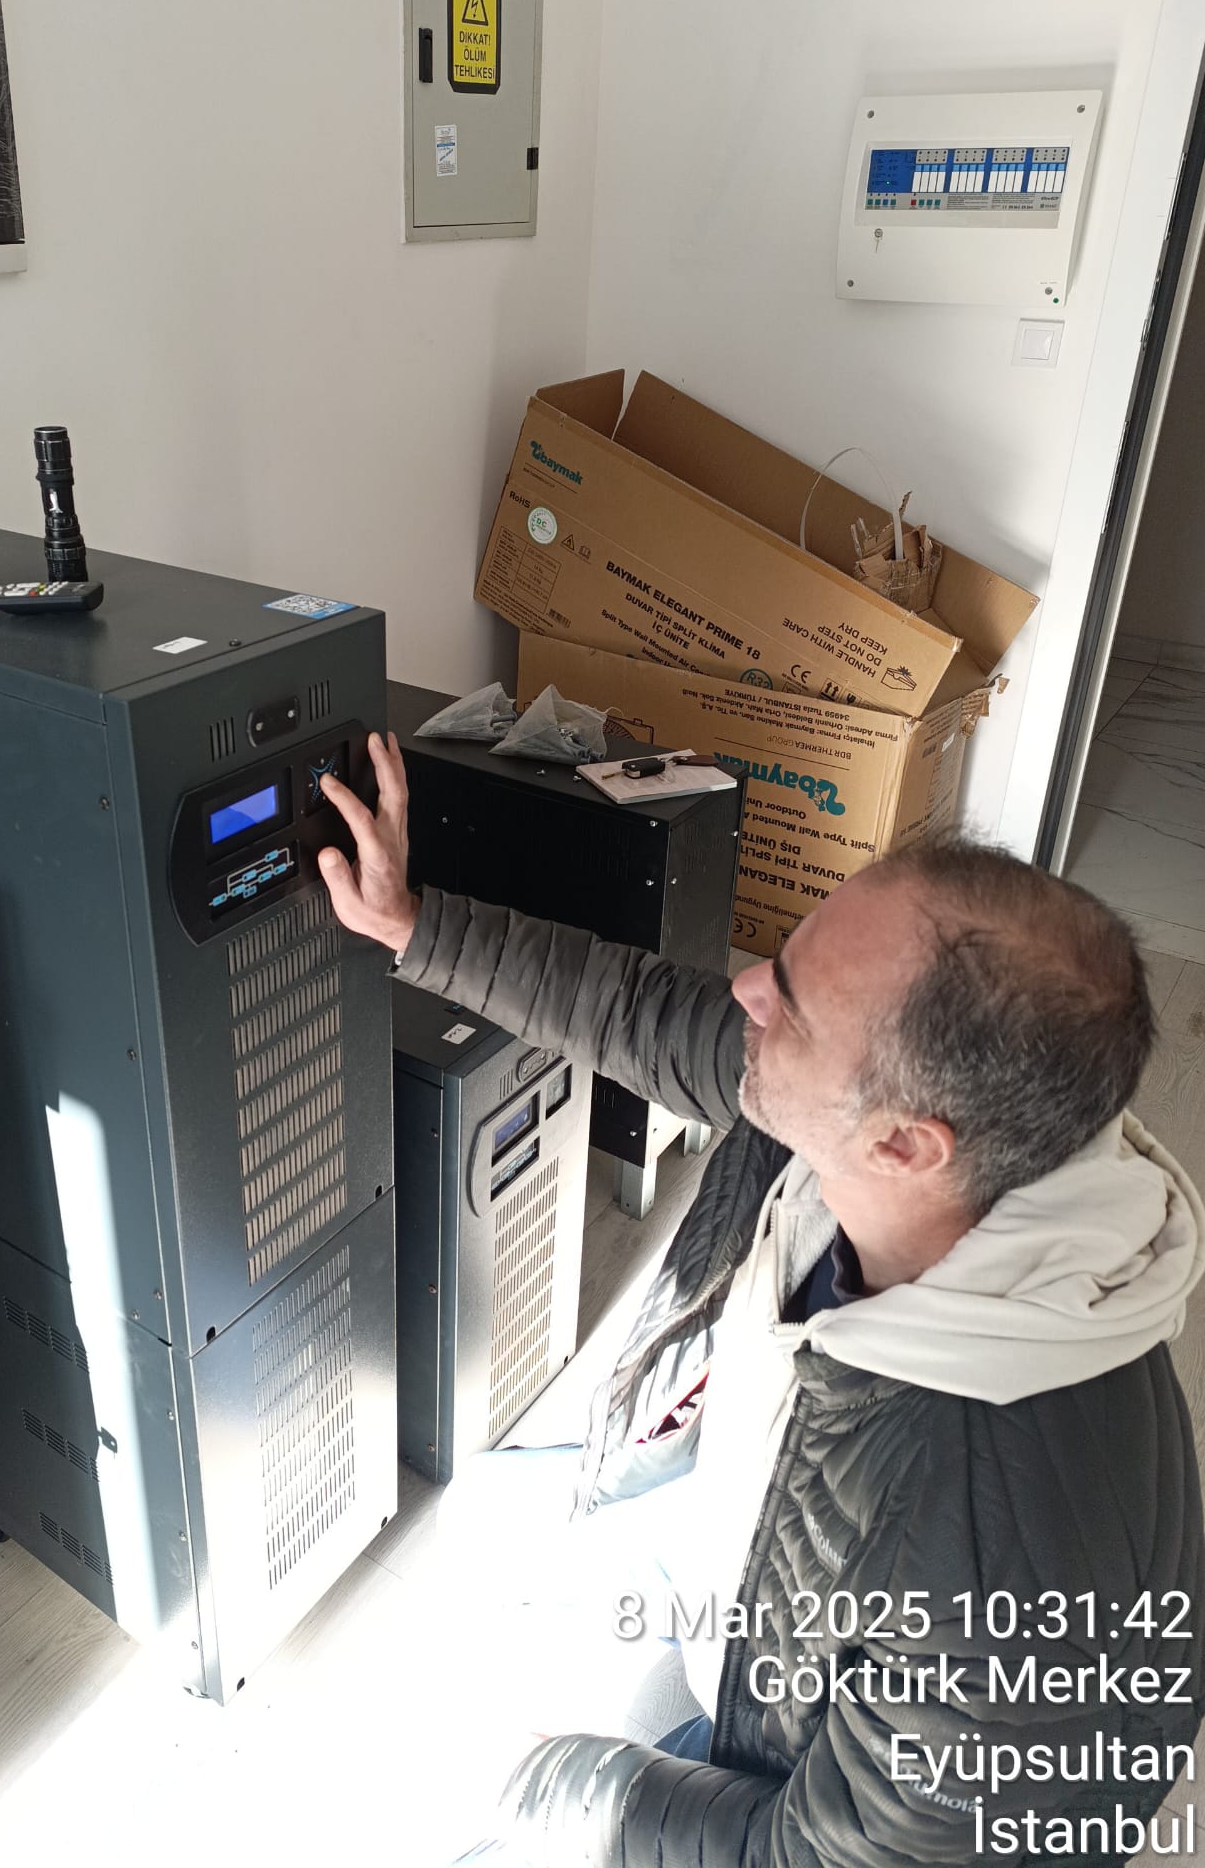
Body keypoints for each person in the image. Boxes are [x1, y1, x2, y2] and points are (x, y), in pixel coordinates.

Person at [316, 732, 1205, 1865]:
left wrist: (559, 1782)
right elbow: (638, 1008)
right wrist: (411, 923)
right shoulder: (950, 1139)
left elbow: (821, 1852)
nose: (745, 989)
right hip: (756, 1565)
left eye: (788, 1001)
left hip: (802, 1787)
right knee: (492, 1516)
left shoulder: (998, 1562)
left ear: (902, 1143)